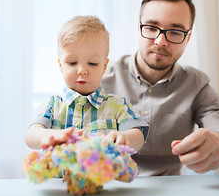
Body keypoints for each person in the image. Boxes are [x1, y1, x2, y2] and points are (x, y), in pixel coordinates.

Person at [101, 0, 219, 176]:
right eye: (151, 27)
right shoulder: (100, 78)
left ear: (188, 38)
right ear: (139, 28)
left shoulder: (197, 86)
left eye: (174, 32)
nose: (160, 41)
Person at [25, 16, 149, 152]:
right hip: (59, 173)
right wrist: (46, 136)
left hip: (103, 173)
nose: (82, 70)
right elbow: (31, 135)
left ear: (104, 66)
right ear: (61, 65)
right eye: (72, 63)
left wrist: (125, 138)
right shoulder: (53, 105)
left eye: (92, 63)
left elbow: (138, 136)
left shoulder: (118, 105)